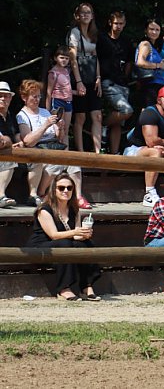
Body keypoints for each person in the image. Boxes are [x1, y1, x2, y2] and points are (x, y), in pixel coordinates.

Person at [25, 173, 100, 301]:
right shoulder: (44, 209)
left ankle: (86, 286)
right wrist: (75, 232)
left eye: (69, 188)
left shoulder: (74, 210)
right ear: (54, 190)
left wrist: (83, 235)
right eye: (61, 188)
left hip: (64, 243)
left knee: (85, 244)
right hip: (41, 246)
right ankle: (63, 288)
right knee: (64, 244)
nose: (66, 191)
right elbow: (53, 235)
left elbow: (74, 237)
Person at [17, 79, 89, 209]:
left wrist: (60, 128)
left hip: (53, 146)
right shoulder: (22, 115)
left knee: (73, 161)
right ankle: (41, 193)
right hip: (37, 150)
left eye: (39, 96)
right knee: (55, 162)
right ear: (24, 97)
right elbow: (28, 140)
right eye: (34, 96)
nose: (37, 99)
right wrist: (45, 125)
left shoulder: (45, 112)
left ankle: (78, 196)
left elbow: (59, 138)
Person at [67, 2, 103, 153]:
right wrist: (79, 82)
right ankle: (81, 152)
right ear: (77, 16)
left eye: (89, 12)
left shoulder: (93, 33)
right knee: (80, 116)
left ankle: (97, 151)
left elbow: (96, 58)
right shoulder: (74, 32)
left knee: (97, 115)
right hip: (79, 78)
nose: (86, 15)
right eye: (83, 12)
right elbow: (72, 58)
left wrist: (99, 78)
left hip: (92, 78)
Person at [96, 10, 134, 154]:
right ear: (110, 23)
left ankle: (115, 153)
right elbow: (95, 59)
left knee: (118, 122)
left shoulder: (126, 41)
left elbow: (130, 61)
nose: (118, 26)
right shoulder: (102, 38)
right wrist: (98, 78)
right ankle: (103, 125)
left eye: (121, 23)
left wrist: (126, 76)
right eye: (116, 23)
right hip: (107, 81)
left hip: (123, 83)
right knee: (126, 111)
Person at [134, 18, 164, 106]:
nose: (154, 32)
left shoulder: (153, 47)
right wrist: (159, 65)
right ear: (146, 30)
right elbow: (140, 62)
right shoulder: (146, 44)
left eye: (157, 30)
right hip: (149, 85)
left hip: (155, 85)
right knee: (148, 112)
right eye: (151, 29)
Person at [0, 81, 23, 208]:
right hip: (4, 155)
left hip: (10, 152)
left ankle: (35, 195)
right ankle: (0, 196)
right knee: (10, 161)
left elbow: (17, 135)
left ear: (10, 98)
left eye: (6, 95)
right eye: (0, 95)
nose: (3, 98)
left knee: (37, 162)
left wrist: (20, 143)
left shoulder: (11, 115)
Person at [45, 45, 73, 146]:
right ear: (55, 58)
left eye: (66, 58)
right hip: (57, 101)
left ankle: (66, 154)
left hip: (68, 101)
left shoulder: (67, 71)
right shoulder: (53, 73)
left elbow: (67, 88)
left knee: (66, 129)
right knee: (58, 128)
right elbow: (49, 92)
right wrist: (47, 109)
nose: (64, 60)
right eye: (62, 57)